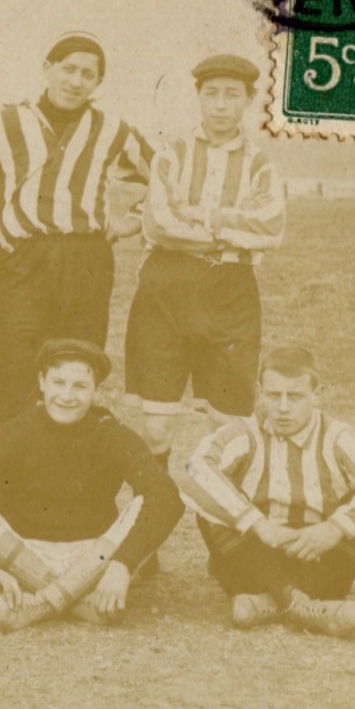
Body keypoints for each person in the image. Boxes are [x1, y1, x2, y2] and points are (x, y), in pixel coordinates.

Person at [0, 32, 154, 420]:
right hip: (23, 258)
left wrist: (131, 220)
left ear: (98, 82)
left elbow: (171, 178)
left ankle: (68, 471)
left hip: (86, 259)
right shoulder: (5, 122)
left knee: (77, 365)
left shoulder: (113, 130)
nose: (75, 81)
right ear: (46, 69)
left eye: (88, 74)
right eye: (67, 69)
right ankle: (16, 471)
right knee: (12, 364)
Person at [0, 339, 184, 629]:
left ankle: (39, 605)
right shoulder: (13, 432)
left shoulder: (114, 435)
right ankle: (79, 603)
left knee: (152, 497)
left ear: (96, 391)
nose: (66, 396)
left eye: (79, 386)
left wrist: (122, 565)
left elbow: (168, 497)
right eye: (58, 382)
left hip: (94, 557)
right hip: (23, 554)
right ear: (42, 382)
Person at [180, 346, 355, 636]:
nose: (282, 407)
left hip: (316, 558)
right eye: (273, 395)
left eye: (294, 396)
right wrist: (259, 525)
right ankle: (306, 608)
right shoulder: (245, 433)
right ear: (259, 392)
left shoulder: (336, 436)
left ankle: (267, 605)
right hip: (256, 559)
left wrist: (334, 528)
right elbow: (193, 470)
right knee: (210, 507)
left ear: (317, 396)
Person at [125, 54, 286, 473]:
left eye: (232, 95)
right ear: (198, 96)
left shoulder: (260, 163)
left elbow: (270, 226)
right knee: (157, 425)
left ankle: (224, 518)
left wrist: (201, 216)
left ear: (248, 100)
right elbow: (159, 223)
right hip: (167, 286)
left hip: (231, 291)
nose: (220, 105)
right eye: (211, 94)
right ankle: (156, 512)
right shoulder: (171, 155)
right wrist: (230, 230)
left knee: (229, 423)